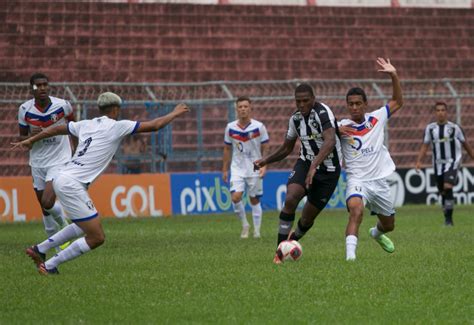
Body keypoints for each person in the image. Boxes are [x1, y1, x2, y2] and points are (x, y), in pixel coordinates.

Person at [13, 92, 189, 275]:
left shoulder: (86, 124)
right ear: (116, 109)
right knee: (97, 237)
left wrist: (32, 139)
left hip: (64, 176)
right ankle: (50, 265)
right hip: (72, 183)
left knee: (85, 224)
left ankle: (39, 249)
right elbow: (155, 125)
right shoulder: (117, 126)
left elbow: (57, 129)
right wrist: (175, 112)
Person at [254, 83, 341, 264]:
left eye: (305, 101)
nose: (301, 105)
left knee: (307, 219)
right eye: (298, 101)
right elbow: (287, 148)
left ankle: (291, 243)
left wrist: (315, 166)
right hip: (305, 163)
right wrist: (265, 160)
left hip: (329, 172)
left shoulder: (323, 113)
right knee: (291, 198)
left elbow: (330, 140)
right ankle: (279, 253)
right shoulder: (295, 119)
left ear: (313, 99)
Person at [338, 58, 403, 261]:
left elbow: (398, 102)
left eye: (358, 103)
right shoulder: (340, 126)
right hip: (358, 180)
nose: (355, 107)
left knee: (389, 225)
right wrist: (334, 130)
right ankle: (350, 258)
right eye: (351, 104)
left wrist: (394, 75)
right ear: (347, 106)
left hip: (379, 181)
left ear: (365, 104)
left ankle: (376, 233)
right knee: (356, 210)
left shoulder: (376, 118)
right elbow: (322, 133)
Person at [18, 73, 74, 244]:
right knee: (44, 207)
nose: (42, 88)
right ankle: (55, 246)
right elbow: (23, 140)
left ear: (48, 86)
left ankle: (64, 226)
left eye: (44, 85)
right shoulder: (25, 110)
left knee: (48, 201)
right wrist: (30, 136)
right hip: (38, 162)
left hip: (59, 159)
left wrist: (77, 149)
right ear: (32, 89)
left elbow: (74, 127)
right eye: (37, 86)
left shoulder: (63, 106)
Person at [415, 102, 474, 226]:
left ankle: (449, 220)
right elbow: (425, 146)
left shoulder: (454, 128)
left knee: (448, 186)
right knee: (442, 191)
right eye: (438, 110)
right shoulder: (430, 129)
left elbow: (465, 144)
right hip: (437, 164)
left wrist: (472, 157)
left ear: (446, 112)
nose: (440, 112)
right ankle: (447, 216)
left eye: (443, 110)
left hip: (452, 162)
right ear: (435, 113)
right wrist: (419, 161)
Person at [222, 96, 269, 239]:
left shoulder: (259, 127)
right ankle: (245, 225)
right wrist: (225, 169)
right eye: (240, 107)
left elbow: (266, 146)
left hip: (255, 167)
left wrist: (264, 164)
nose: (243, 109)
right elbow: (227, 149)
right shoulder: (230, 127)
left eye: (245, 106)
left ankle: (257, 231)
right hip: (237, 168)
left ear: (250, 108)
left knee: (254, 199)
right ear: (236, 109)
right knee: (236, 197)